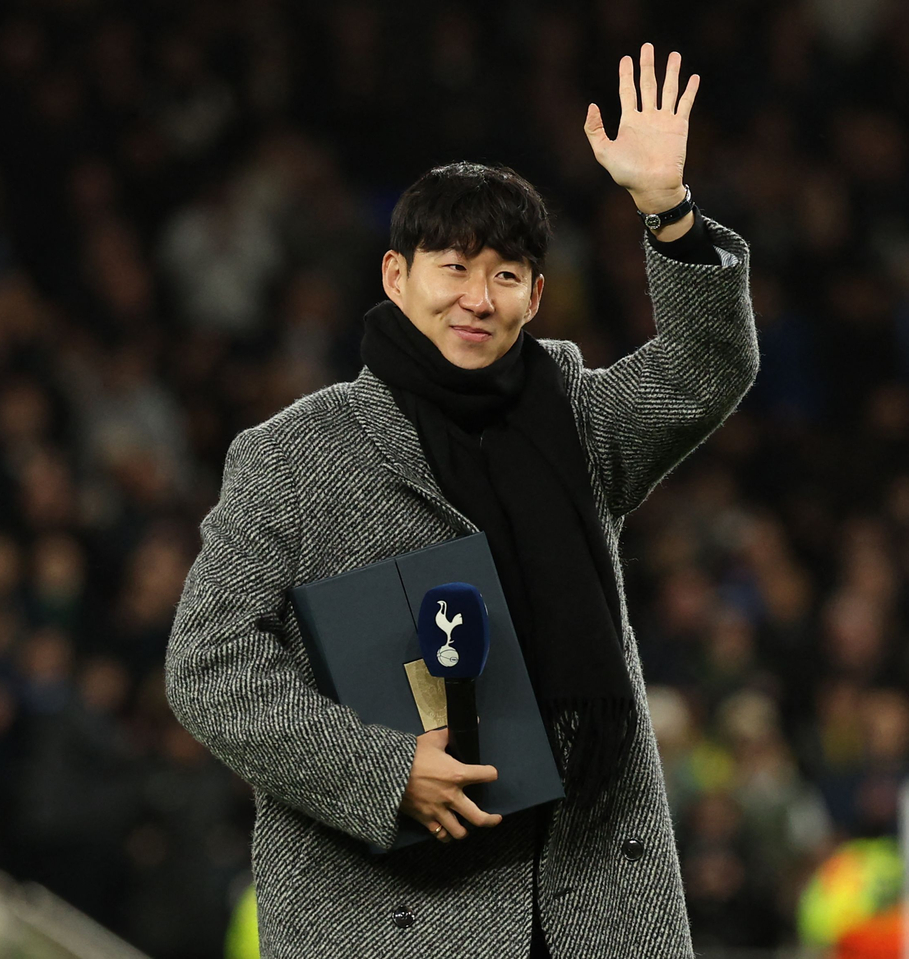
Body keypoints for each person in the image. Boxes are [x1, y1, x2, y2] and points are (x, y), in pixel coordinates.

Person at [166, 43, 758, 957]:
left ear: (535, 296)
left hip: (589, 903)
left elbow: (704, 368)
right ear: (397, 277)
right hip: (388, 910)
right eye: (453, 267)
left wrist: (665, 213)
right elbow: (207, 666)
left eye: (507, 275)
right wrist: (383, 769)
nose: (478, 298)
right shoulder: (292, 455)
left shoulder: (576, 416)